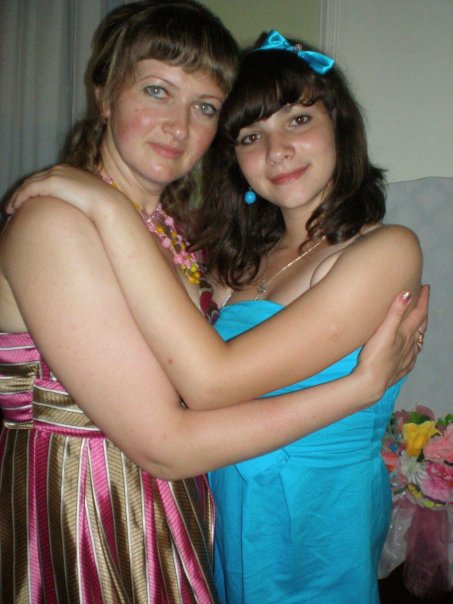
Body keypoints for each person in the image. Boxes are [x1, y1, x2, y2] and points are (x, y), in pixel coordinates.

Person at [3, 15, 427, 604]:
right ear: (103, 94)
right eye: (157, 90)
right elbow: (182, 416)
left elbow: (205, 382)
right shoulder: (63, 222)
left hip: (272, 518)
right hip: (94, 516)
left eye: (204, 107)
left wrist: (109, 207)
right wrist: (360, 387)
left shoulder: (175, 236)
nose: (178, 126)